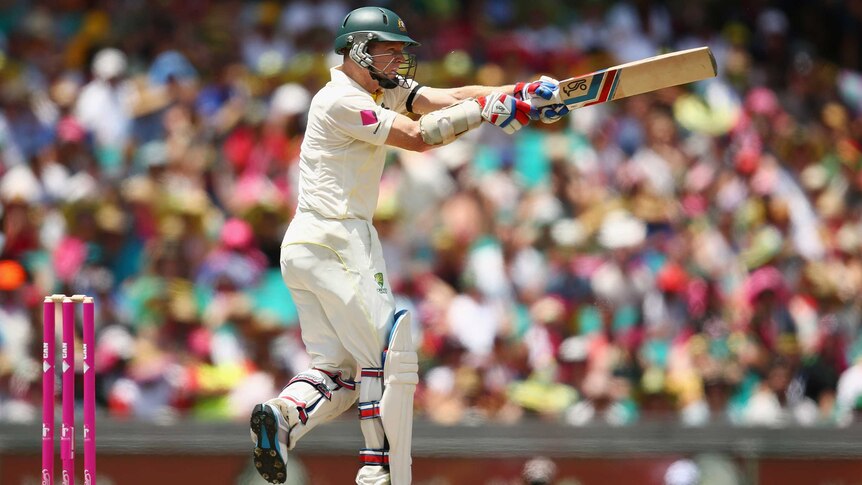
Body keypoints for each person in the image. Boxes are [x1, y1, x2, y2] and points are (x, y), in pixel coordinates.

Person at [248, 6, 570, 484]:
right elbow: (418, 137)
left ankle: (284, 415)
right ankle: (378, 475)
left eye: (401, 51)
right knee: (387, 358)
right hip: (338, 237)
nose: (399, 59)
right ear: (357, 49)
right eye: (388, 49)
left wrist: (519, 94)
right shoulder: (338, 99)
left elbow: (452, 97)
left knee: (337, 373)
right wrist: (486, 112)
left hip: (308, 244)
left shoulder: (381, 89)